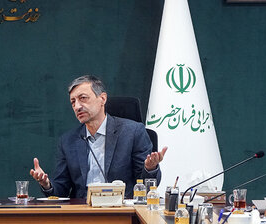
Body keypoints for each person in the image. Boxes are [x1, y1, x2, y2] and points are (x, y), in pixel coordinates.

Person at [30, 75, 166, 199]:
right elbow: (61, 191)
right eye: (73, 102)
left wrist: (150, 168)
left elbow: (147, 185)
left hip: (121, 210)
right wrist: (47, 184)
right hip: (82, 211)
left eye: (83, 98)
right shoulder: (68, 141)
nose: (77, 106)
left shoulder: (133, 132)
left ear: (102, 99)